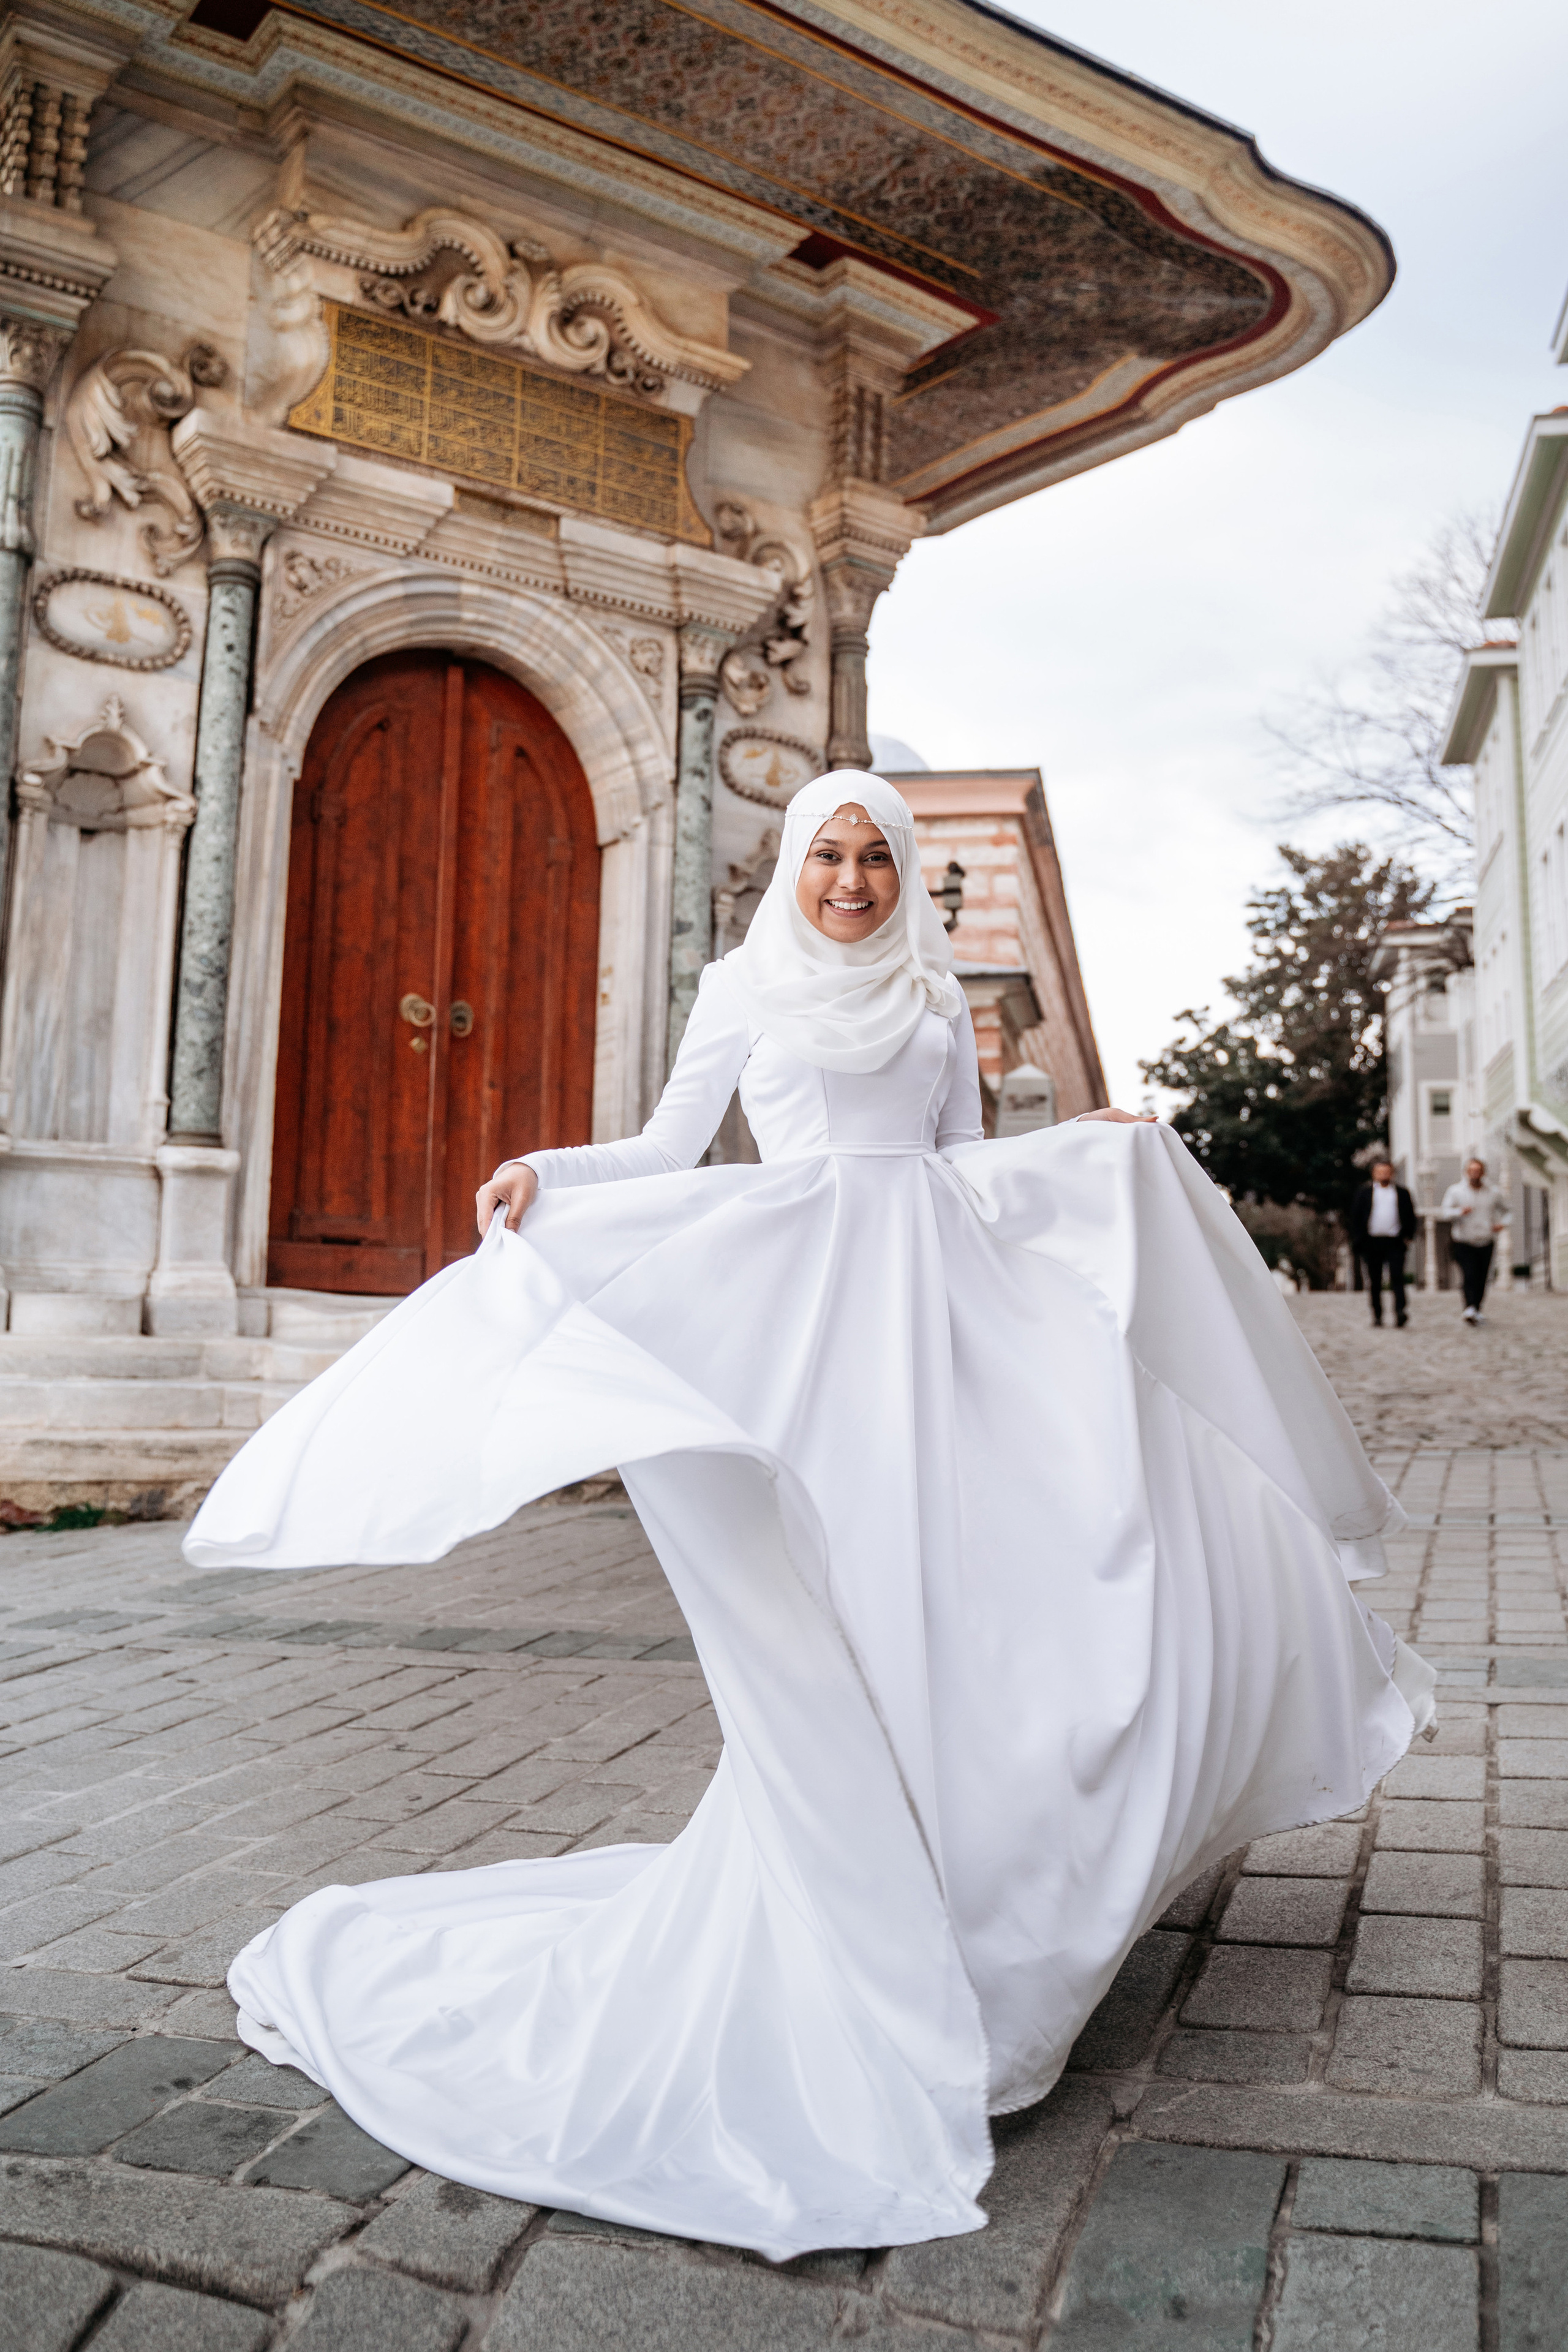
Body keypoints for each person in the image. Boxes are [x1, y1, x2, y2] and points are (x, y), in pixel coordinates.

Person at [186, 772, 1433, 2262]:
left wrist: (1084, 1144)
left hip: (948, 1336)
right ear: (793, 865)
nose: (850, 877)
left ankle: (979, 1936)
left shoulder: (925, 991)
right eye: (829, 854)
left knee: (996, 1609)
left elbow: (964, 1162)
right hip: (821, 1345)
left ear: (901, 870)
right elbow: (665, 1148)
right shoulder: (743, 984)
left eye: (873, 855)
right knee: (857, 1624)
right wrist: (544, 1171)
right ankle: (874, 1945)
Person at [1439, 1156, 1512, 1324]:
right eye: (1472, 1171)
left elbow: (1508, 1211)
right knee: (1469, 1274)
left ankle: (1477, 1308)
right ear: (1466, 1172)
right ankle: (1469, 1306)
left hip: (1486, 1239)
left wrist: (1502, 1224)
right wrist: (1459, 1212)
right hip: (1463, 1240)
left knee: (1482, 1277)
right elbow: (1445, 1212)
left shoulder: (1493, 1192)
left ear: (1483, 1173)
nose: (1475, 1174)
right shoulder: (1456, 1191)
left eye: (1478, 1171)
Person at [1350, 1158, 1417, 1328]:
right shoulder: (1364, 1193)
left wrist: (1408, 1236)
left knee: (1397, 1278)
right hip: (1372, 1242)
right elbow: (1356, 1217)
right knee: (1375, 1281)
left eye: (1386, 1172)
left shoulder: (1402, 1193)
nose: (1383, 1175)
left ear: (1392, 1173)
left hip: (1395, 1241)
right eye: (1380, 1172)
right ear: (1374, 1174)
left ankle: (1400, 1312)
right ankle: (1377, 1314)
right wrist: (1359, 1239)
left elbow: (1410, 1215)